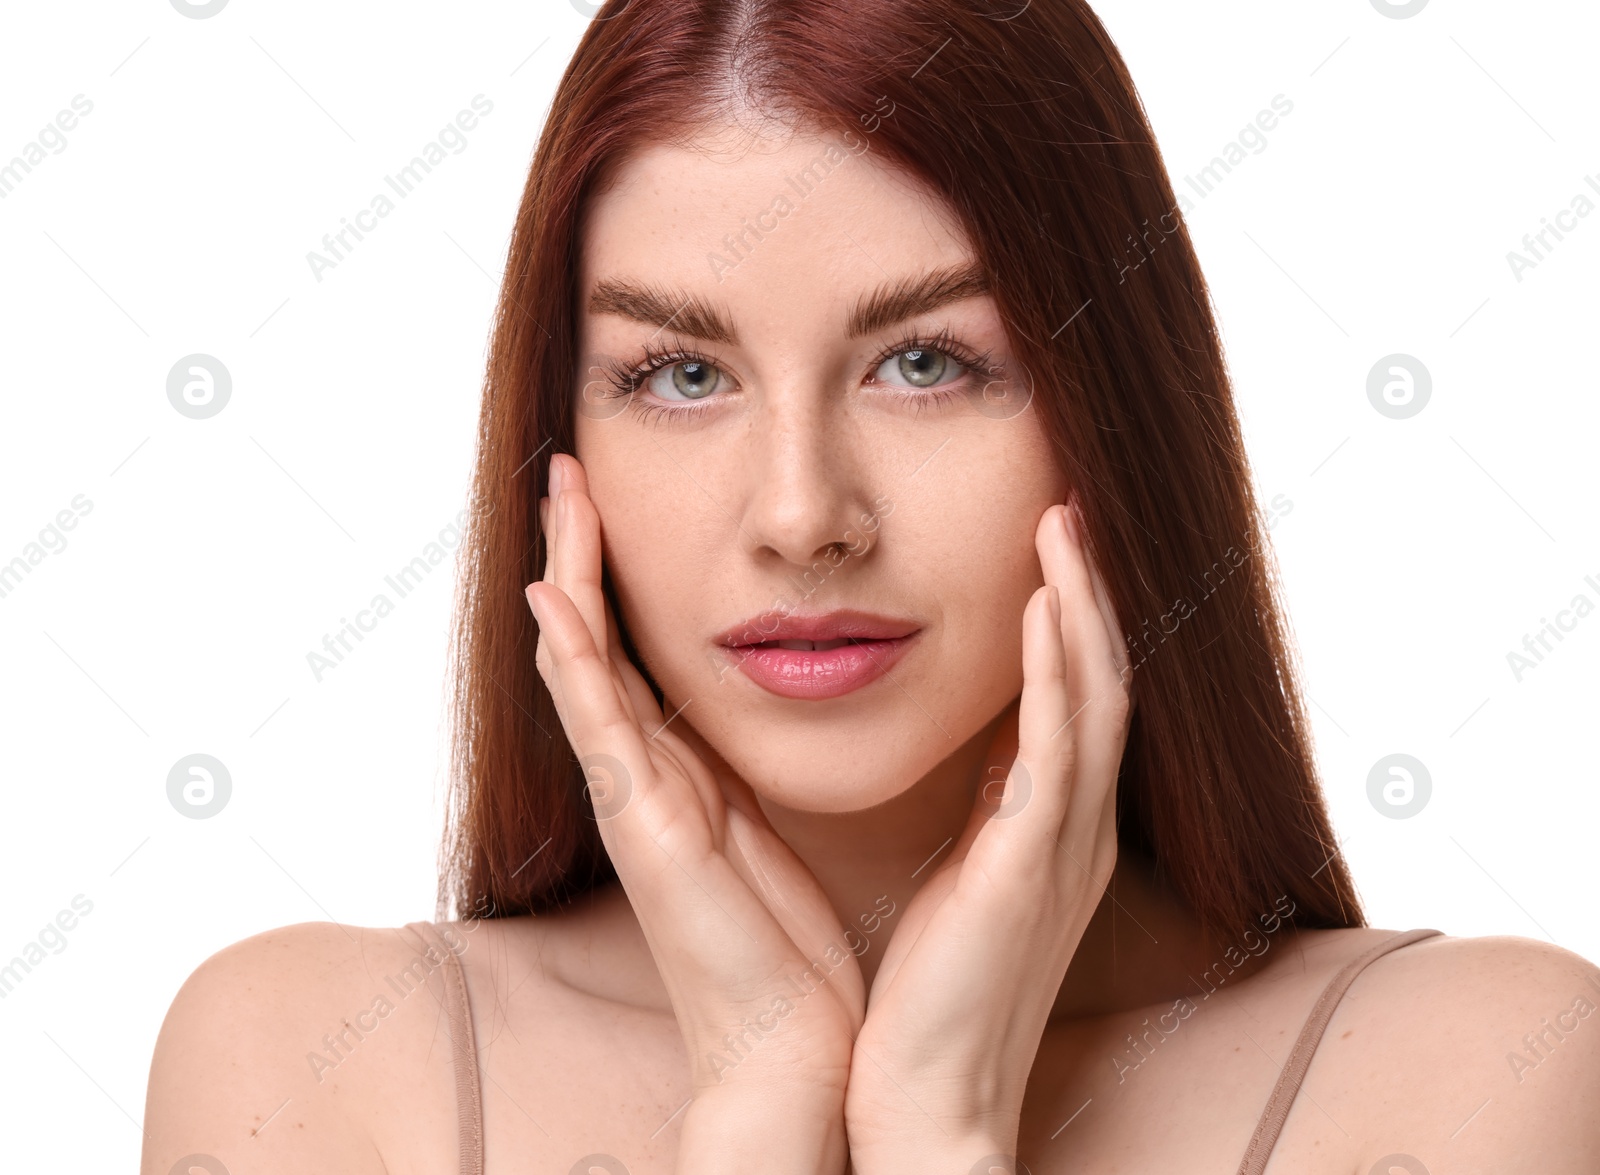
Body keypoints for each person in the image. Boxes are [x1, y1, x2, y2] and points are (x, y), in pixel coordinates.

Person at [141, 2, 1600, 1172]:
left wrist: (942, 1130)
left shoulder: (1477, 1075)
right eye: (682, 374)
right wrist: (759, 1112)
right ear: (560, 443)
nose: (801, 516)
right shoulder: (307, 1071)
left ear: (1110, 413)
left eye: (926, 362)